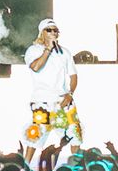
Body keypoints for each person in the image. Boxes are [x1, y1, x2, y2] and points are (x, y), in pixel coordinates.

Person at [24, 18, 79, 156]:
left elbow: (73, 76)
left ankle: (76, 167)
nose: (53, 32)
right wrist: (48, 49)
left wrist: (70, 93)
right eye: (49, 30)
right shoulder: (33, 50)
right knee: (35, 136)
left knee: (75, 134)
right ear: (42, 33)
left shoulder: (64, 52)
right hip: (42, 101)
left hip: (62, 101)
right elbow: (35, 67)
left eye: (56, 30)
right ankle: (24, 169)